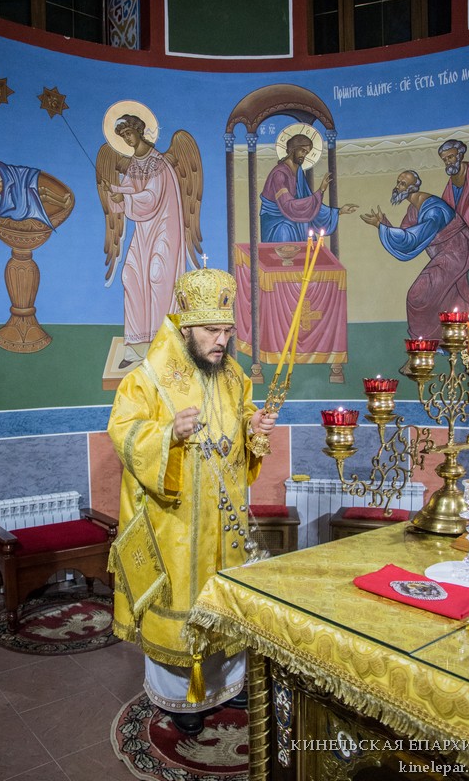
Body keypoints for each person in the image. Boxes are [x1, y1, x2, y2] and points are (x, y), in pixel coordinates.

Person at [107, 265, 278, 737]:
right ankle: (182, 695)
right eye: (211, 331)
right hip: (176, 525)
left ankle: (228, 683)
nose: (221, 341)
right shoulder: (148, 377)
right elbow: (123, 431)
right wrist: (168, 434)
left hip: (225, 522)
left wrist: (253, 427)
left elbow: (240, 421)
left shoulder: (233, 375)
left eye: (227, 331)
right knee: (183, 604)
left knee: (226, 598)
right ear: (185, 327)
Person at [101, 114, 189, 369]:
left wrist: (125, 198)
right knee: (130, 276)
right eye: (123, 136)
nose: (127, 139)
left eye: (129, 133)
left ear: (139, 131)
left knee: (157, 277)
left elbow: (151, 197)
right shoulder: (134, 164)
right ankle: (137, 348)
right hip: (144, 232)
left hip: (164, 229)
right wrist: (116, 191)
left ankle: (164, 345)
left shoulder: (159, 163)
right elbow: (131, 189)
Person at [361, 170, 469, 341]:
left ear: (413, 188)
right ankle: (455, 340)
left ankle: (424, 342)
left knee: (417, 294)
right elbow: (405, 235)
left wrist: (382, 228)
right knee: (452, 297)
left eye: (403, 184)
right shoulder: (414, 209)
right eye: (398, 182)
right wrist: (384, 224)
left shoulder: (433, 209)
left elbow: (412, 239)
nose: (397, 187)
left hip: (456, 253)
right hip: (446, 255)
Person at [259, 133, 358, 242]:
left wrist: (338, 212)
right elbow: (288, 205)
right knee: (285, 232)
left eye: (306, 152)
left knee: (306, 235)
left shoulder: (299, 173)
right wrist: (320, 191)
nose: (304, 155)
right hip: (277, 222)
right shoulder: (279, 174)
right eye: (302, 151)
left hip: (293, 218)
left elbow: (308, 202)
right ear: (293, 149)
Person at [439, 138, 469, 322]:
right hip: (462, 244)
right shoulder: (451, 182)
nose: (448, 162)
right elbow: (447, 211)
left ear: (460, 155)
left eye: (451, 157)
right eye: (445, 159)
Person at [0, 161, 71, 228]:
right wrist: (10, 189)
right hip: (21, 207)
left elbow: (11, 178)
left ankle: (62, 199)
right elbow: (7, 204)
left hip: (22, 195)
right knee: (43, 197)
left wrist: (14, 186)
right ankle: (63, 204)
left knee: (42, 190)